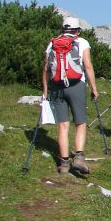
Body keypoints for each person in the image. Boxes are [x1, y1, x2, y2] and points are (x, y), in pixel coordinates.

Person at [42, 16, 98, 175]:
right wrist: (94, 88)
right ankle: (79, 158)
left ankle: (64, 164)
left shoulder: (52, 43)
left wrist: (45, 90)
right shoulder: (82, 42)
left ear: (62, 29)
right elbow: (87, 65)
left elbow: (46, 69)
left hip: (56, 87)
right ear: (77, 31)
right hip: (76, 85)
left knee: (63, 125)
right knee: (80, 122)